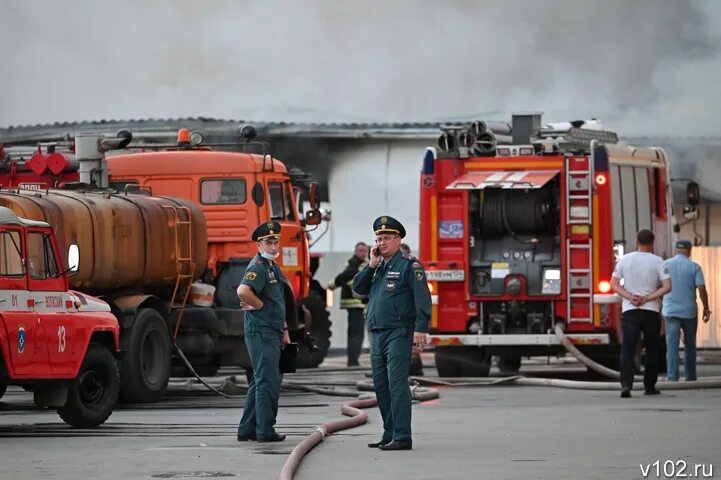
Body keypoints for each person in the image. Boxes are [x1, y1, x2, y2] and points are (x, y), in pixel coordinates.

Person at [352, 215, 431, 451]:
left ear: (398, 240)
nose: (382, 243)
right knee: (381, 385)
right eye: (379, 239)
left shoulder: (409, 265)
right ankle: (389, 433)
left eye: (387, 238)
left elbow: (422, 299)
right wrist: (371, 265)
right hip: (378, 333)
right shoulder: (378, 267)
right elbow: (357, 288)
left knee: (396, 383)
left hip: (399, 331)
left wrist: (420, 328)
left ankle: (403, 435)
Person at [236, 221, 291, 442]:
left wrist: (284, 329)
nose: (273, 245)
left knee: (260, 380)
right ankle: (265, 431)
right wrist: (259, 306)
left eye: (275, 241)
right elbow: (243, 291)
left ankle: (247, 429)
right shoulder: (258, 266)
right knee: (267, 381)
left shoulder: (272, 266)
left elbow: (278, 301)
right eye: (268, 242)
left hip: (272, 330)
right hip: (261, 331)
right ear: (259, 245)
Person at [610, 229, 671, 398]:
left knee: (628, 349)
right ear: (652, 242)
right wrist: (648, 297)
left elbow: (614, 284)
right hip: (650, 311)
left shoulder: (625, 260)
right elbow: (667, 286)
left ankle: (626, 385)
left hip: (630, 311)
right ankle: (649, 386)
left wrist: (630, 297)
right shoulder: (659, 262)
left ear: (637, 241)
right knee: (651, 349)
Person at [662, 239, 711, 382]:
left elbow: (659, 286)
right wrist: (706, 308)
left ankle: (672, 377)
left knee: (672, 346)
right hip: (689, 312)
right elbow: (701, 288)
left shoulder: (665, 265)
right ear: (689, 251)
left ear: (675, 250)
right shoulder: (694, 267)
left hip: (670, 311)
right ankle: (690, 377)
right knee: (690, 345)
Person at [327, 242, 369, 366]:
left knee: (355, 334)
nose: (362, 253)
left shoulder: (358, 264)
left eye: (364, 251)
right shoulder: (354, 264)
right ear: (356, 251)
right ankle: (353, 361)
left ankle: (353, 360)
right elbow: (345, 277)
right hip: (356, 304)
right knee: (357, 334)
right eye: (360, 250)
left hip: (358, 305)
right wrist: (331, 285)